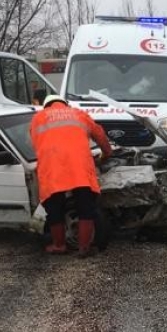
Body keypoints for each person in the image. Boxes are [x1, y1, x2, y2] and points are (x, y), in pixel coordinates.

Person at [30, 94, 113, 258]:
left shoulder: (37, 118)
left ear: (46, 105)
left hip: (52, 169)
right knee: (86, 207)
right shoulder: (79, 114)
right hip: (79, 168)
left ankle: (59, 245)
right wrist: (106, 155)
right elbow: (100, 135)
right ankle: (84, 248)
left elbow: (36, 144)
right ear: (64, 104)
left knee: (54, 209)